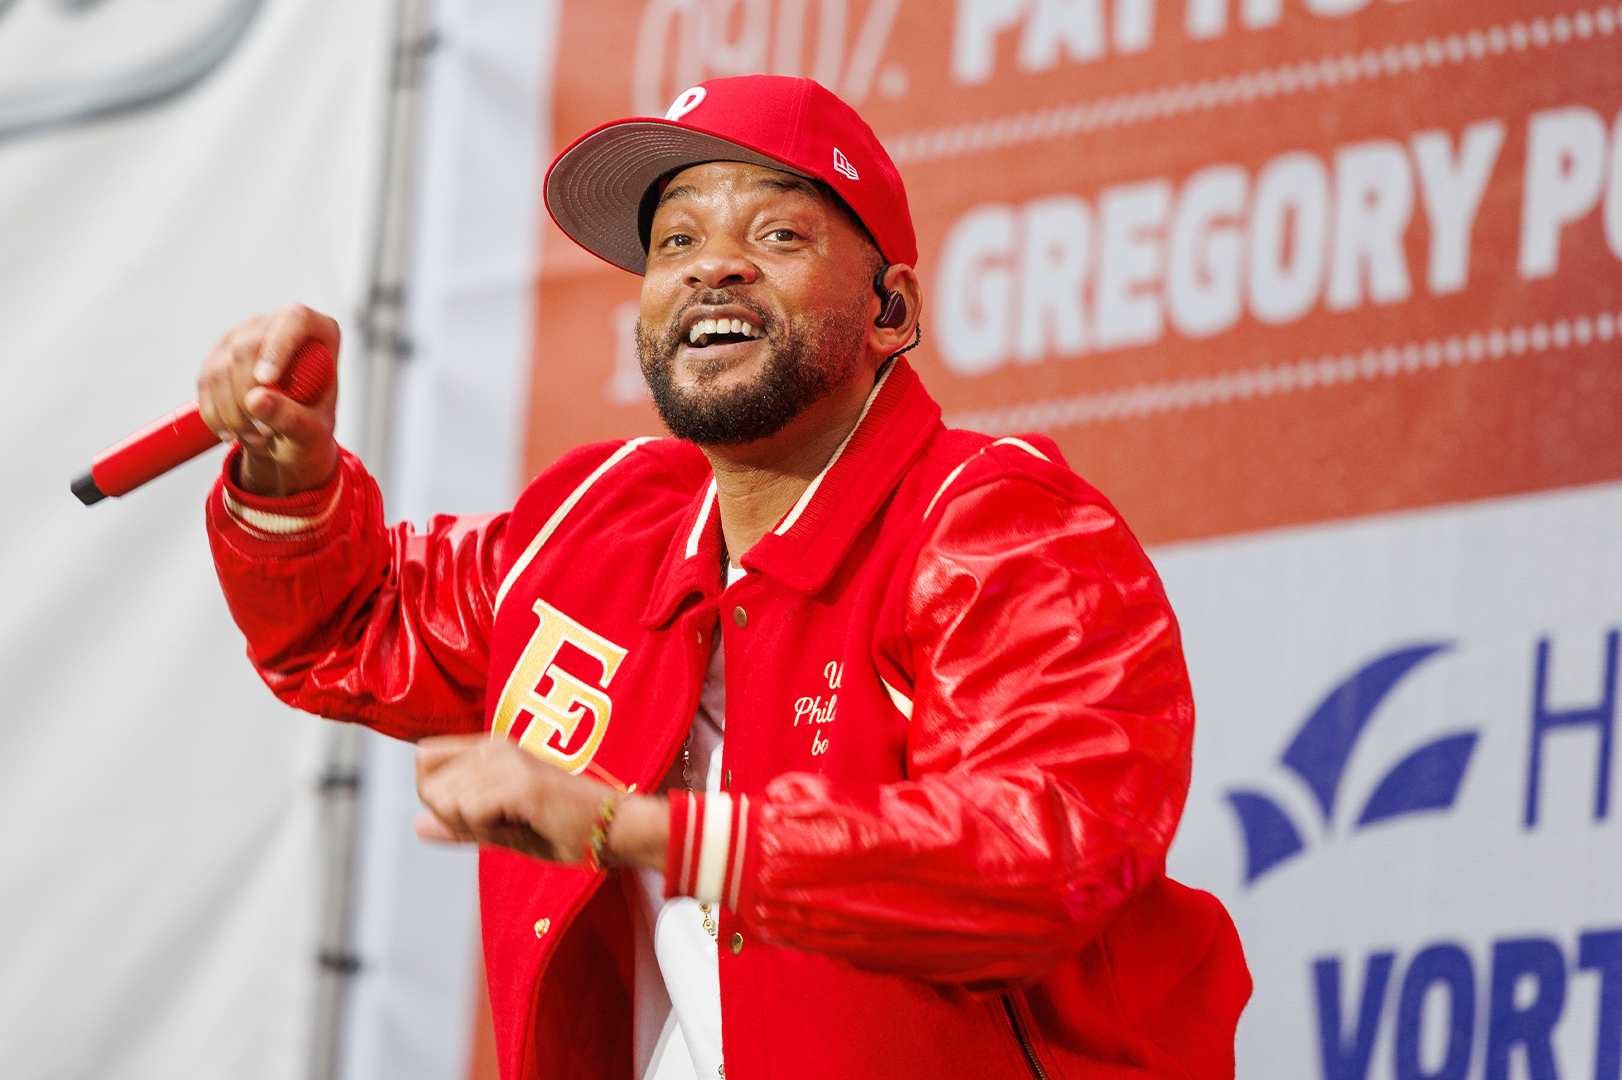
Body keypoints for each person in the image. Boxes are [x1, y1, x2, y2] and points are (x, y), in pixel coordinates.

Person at [198, 75, 1250, 1080]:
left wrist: (644, 831)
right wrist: (287, 466)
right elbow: (353, 625)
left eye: (777, 234)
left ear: (891, 310)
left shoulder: (997, 524)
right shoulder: (602, 521)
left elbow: (1041, 856)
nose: (714, 268)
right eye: (677, 241)